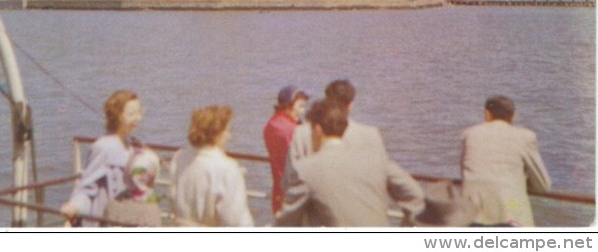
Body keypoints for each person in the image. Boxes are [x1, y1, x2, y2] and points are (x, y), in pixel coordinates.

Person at [277, 99, 424, 226]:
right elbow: (416, 197)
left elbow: (286, 224)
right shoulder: (376, 161)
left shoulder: (305, 170)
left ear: (317, 130)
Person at [460, 95, 551, 227]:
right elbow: (543, 185)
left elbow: (465, 171)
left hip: (472, 216)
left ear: (487, 114)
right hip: (509, 217)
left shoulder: (469, 134)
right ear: (513, 116)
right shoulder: (525, 137)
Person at [60, 90, 143, 225]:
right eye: (131, 114)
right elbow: (87, 187)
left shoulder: (130, 146)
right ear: (117, 116)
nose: (138, 118)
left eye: (139, 113)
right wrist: (74, 206)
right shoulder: (104, 147)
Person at [169, 105, 254, 226]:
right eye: (228, 131)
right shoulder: (227, 168)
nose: (230, 136)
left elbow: (173, 199)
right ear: (216, 134)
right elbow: (234, 219)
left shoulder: (180, 158)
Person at [263, 85, 309, 214]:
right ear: (288, 106)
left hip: (280, 190)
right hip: (294, 193)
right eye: (300, 106)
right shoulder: (288, 129)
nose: (303, 111)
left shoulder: (273, 124)